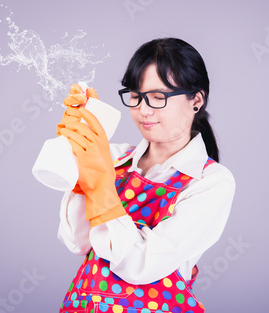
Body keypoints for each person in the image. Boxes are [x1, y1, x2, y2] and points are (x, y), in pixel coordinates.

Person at [56, 38, 235, 313]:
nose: (143, 110)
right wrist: (81, 162)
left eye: (157, 97)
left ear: (196, 100)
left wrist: (102, 184)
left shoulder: (211, 182)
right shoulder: (113, 158)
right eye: (136, 95)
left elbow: (142, 265)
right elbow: (78, 242)